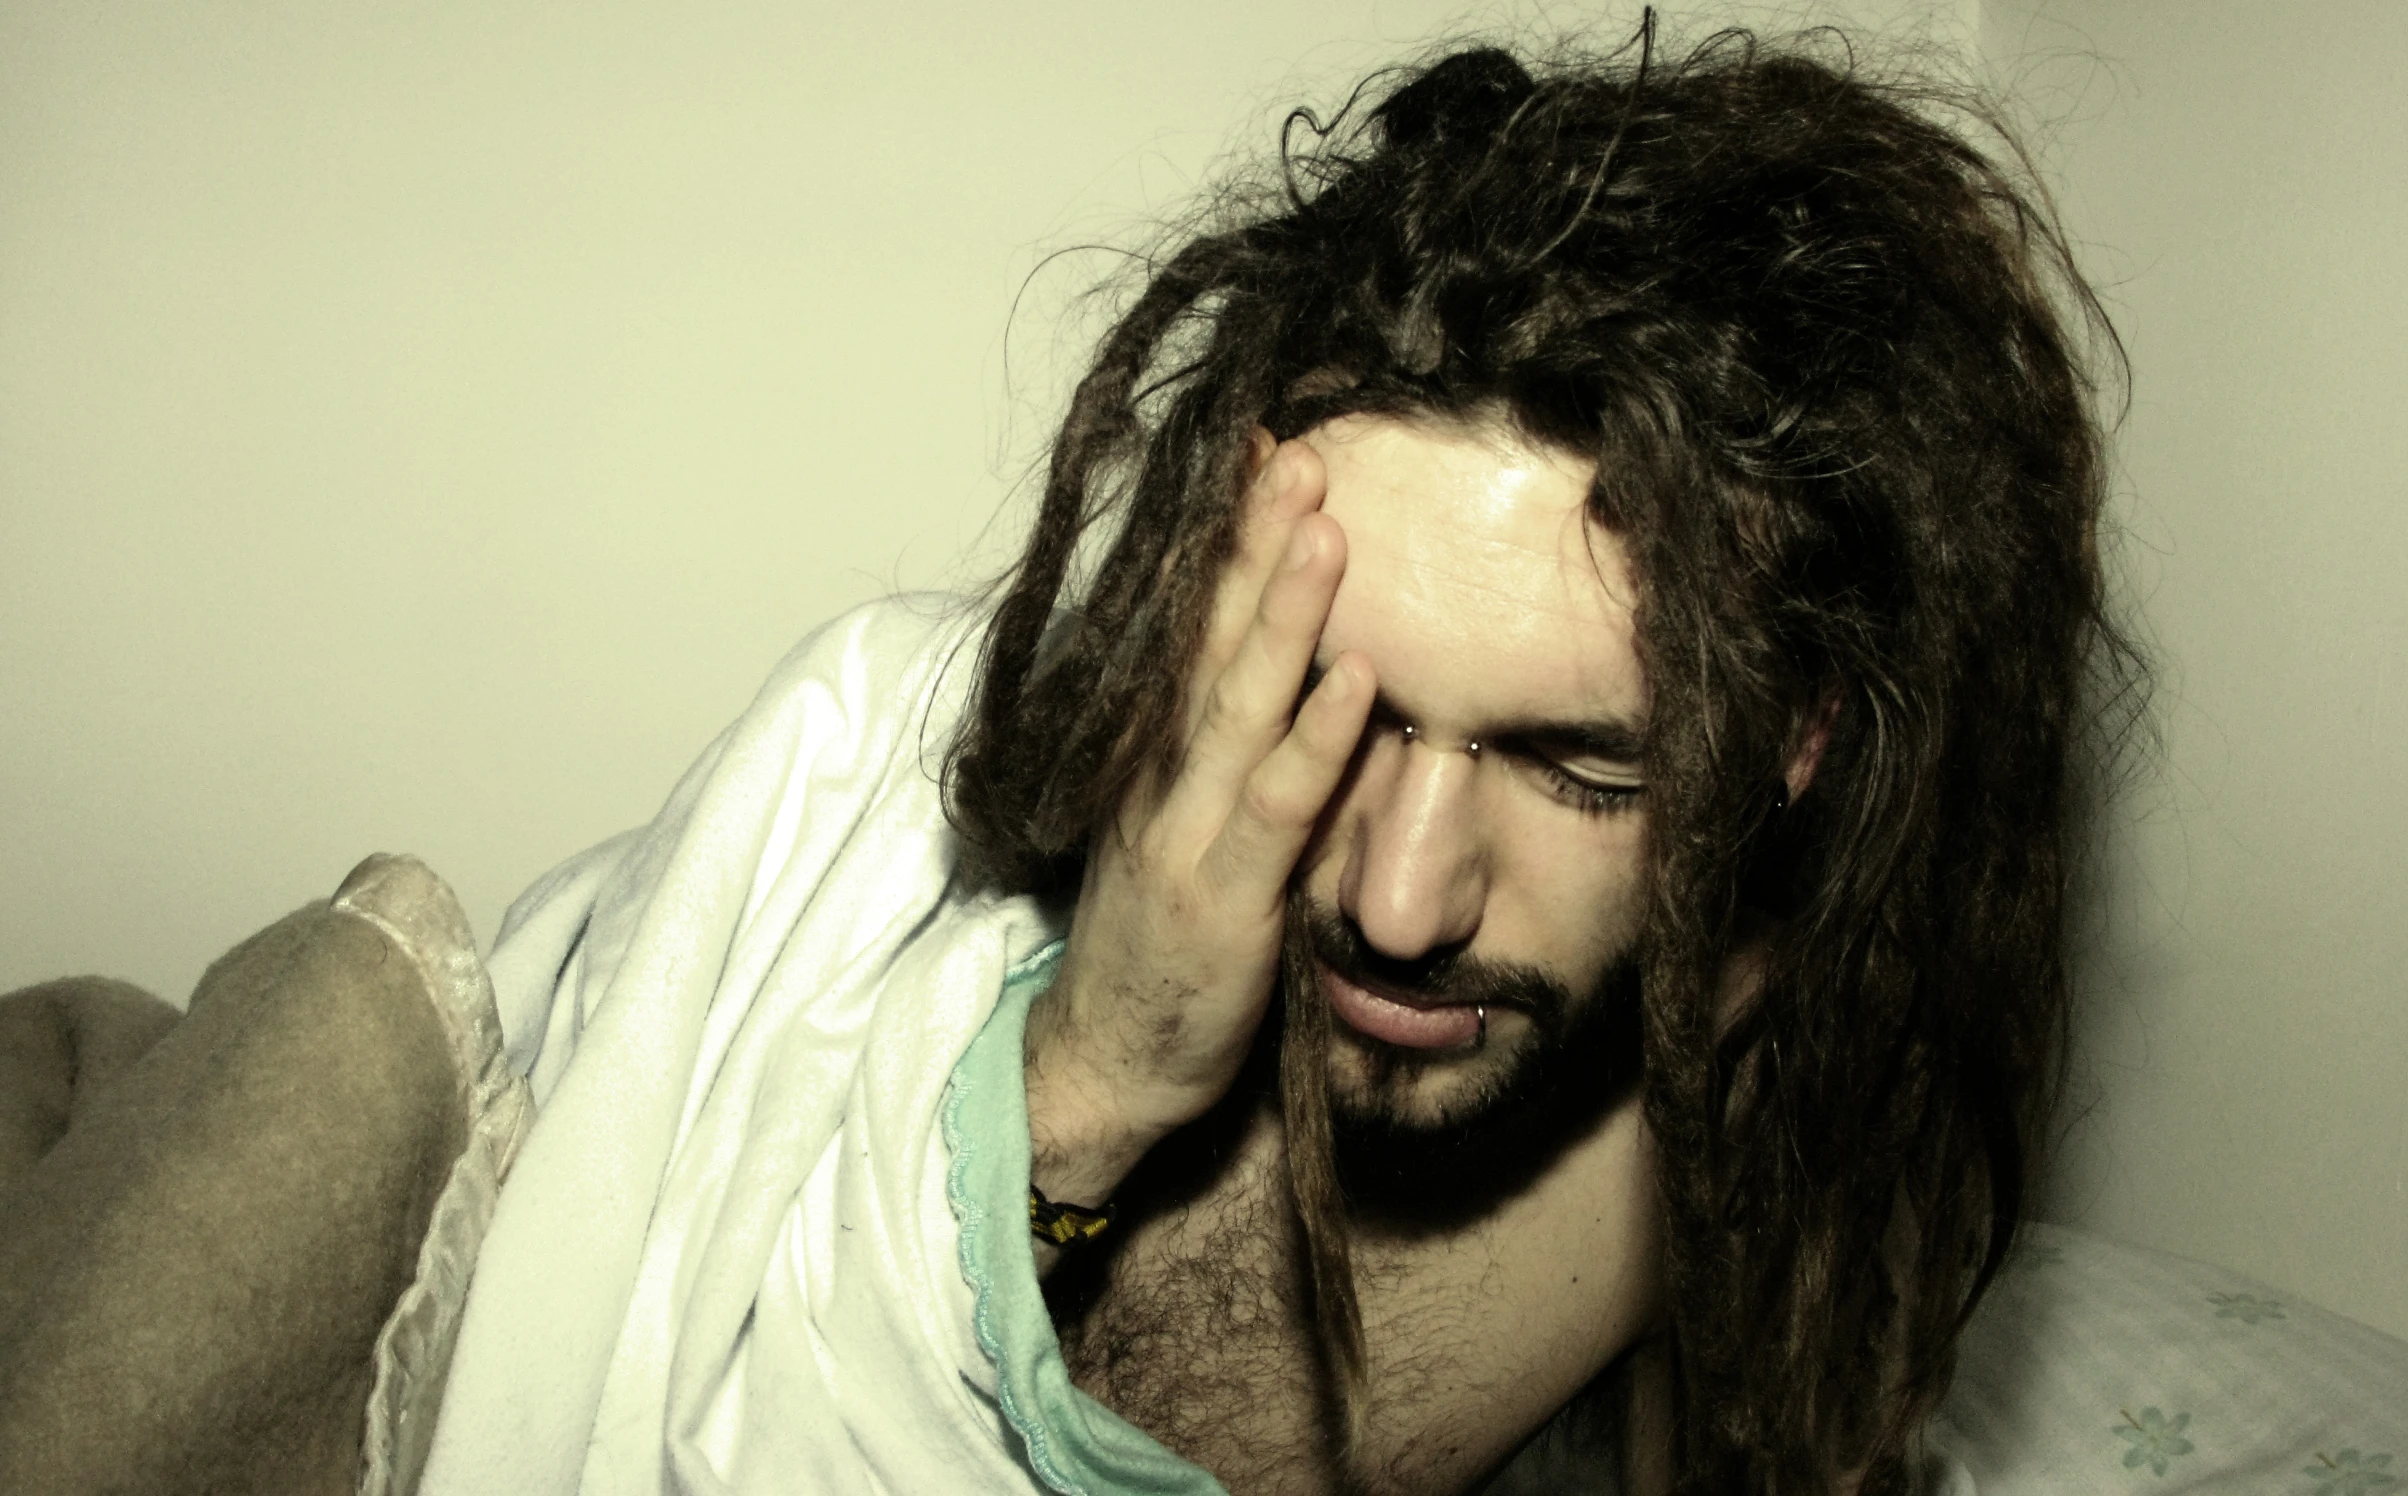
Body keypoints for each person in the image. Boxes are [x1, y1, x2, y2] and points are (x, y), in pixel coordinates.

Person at [0, 22, 2125, 1496]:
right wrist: (1089, 1075)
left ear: (1791, 749)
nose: (1396, 893)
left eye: (1575, 766)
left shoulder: (1805, 1101)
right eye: (1334, 703)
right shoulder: (903, 786)